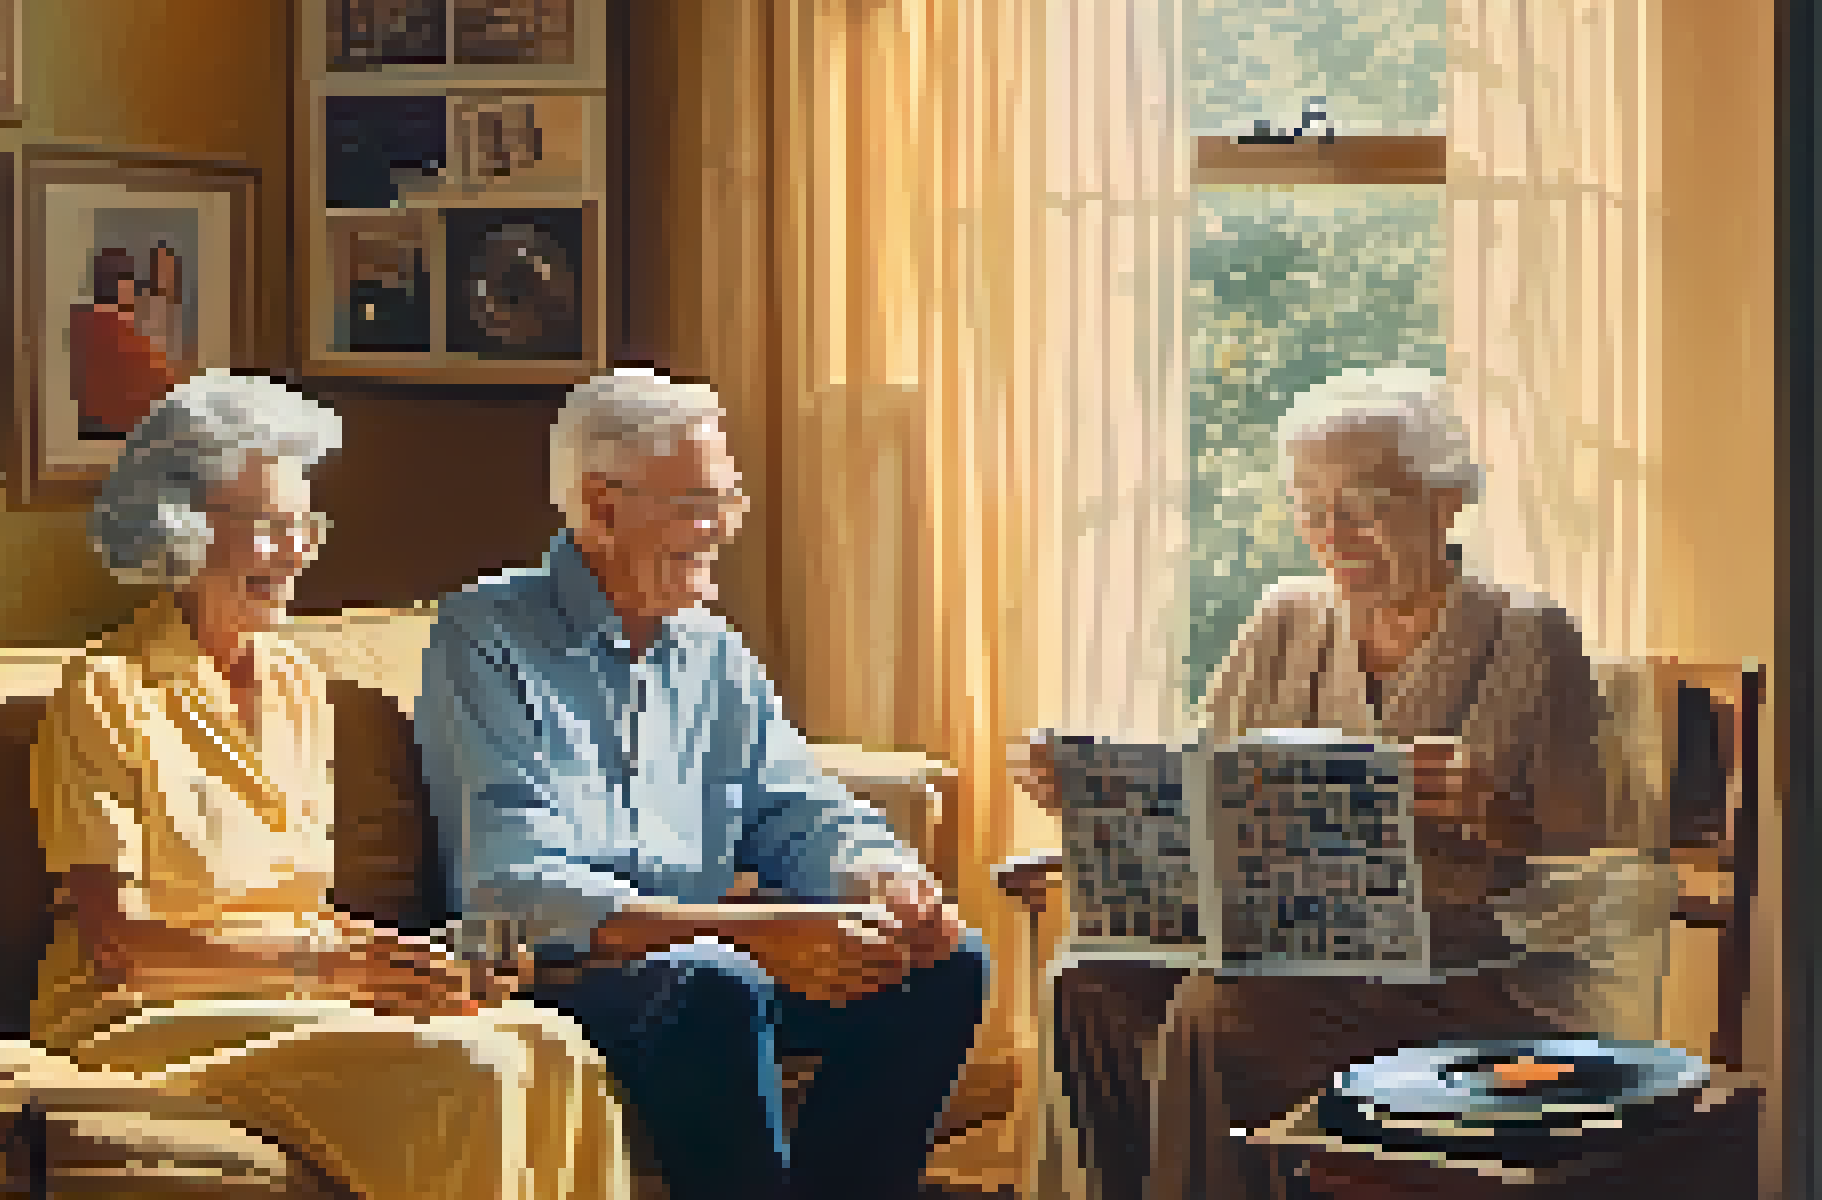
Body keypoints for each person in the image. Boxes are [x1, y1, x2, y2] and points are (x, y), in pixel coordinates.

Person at [30, 372, 631, 1200]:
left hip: (284, 988)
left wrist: (409, 960)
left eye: (306, 524)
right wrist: (333, 969)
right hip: (143, 1009)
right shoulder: (104, 691)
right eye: (272, 527)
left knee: (556, 1051)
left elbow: (293, 909)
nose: (301, 551)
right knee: (473, 1070)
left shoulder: (300, 685)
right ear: (186, 528)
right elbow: (122, 944)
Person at [1020, 367, 1608, 1200]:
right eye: (1311, 509)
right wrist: (1084, 792)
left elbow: (1591, 855)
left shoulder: (1530, 636)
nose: (1334, 534)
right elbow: (1197, 791)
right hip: (1283, 952)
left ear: (1446, 501)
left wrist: (1496, 813)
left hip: (1461, 981)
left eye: (1364, 504)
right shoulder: (1282, 621)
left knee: (1219, 1009)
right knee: (1088, 983)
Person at [416, 369, 991, 1200]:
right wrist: (753, 934)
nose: (719, 528)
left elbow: (797, 807)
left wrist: (883, 879)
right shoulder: (485, 635)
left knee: (941, 964)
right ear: (602, 507)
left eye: (726, 499)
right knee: (718, 987)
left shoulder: (712, 652)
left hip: (712, 962)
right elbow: (512, 890)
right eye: (692, 505)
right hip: (570, 975)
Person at [73, 247, 187, 439]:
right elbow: (167, 396)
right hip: (120, 436)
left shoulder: (78, 325)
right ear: (123, 287)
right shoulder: (127, 340)